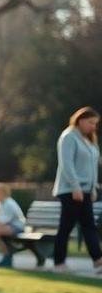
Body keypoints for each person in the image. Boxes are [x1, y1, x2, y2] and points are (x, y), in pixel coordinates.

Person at [51, 106, 102, 274]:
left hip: (85, 190)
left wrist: (93, 189)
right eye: (91, 122)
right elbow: (66, 164)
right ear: (80, 120)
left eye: (95, 123)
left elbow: (93, 166)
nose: (94, 127)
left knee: (88, 226)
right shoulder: (68, 137)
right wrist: (75, 187)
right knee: (68, 226)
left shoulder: (89, 140)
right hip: (70, 191)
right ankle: (59, 263)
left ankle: (98, 261)